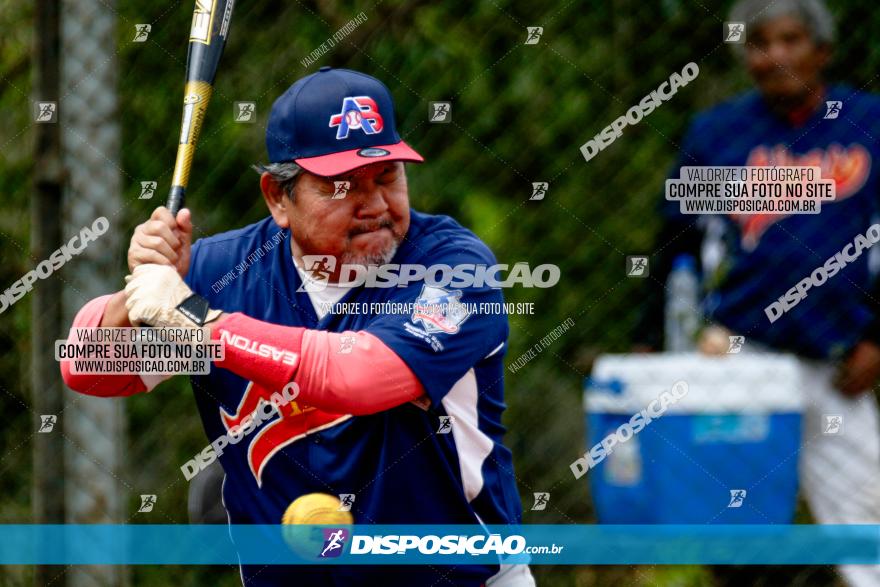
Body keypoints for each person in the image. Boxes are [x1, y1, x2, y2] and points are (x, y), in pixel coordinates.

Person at [60, 67, 534, 587]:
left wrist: (196, 321)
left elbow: (360, 376)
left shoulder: (450, 267)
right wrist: (135, 296)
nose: (375, 205)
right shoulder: (223, 274)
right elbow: (88, 368)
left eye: (387, 176)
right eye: (342, 185)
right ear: (278, 198)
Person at [638, 1, 880, 585]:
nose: (775, 56)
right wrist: (649, 341)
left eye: (791, 40)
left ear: (822, 50)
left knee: (866, 526)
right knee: (735, 527)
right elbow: (676, 245)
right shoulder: (719, 134)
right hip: (742, 356)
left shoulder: (869, 124)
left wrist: (878, 338)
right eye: (758, 43)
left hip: (840, 358)